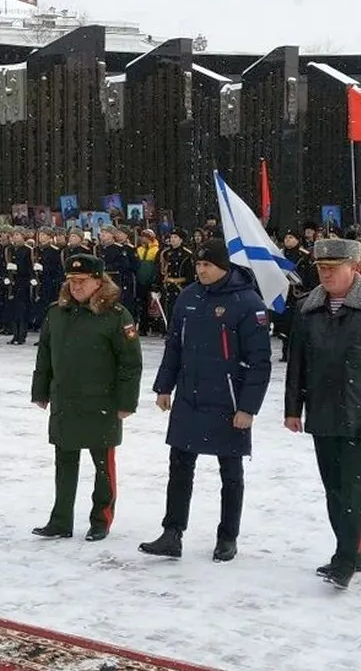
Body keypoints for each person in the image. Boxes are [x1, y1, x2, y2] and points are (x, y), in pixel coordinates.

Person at [284, 238, 361, 590]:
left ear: (353, 267)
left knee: (353, 490)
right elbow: (297, 364)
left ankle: (345, 559)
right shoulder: (309, 307)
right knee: (333, 489)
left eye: (333, 269)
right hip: (322, 412)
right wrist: (293, 409)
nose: (326, 275)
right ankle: (354, 550)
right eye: (321, 269)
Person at [139, 240, 272, 562]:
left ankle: (227, 537)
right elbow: (175, 346)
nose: (200, 270)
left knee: (230, 471)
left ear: (224, 267)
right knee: (180, 466)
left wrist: (248, 408)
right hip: (190, 395)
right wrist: (164, 387)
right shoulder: (189, 296)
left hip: (227, 400)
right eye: (198, 265)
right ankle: (172, 533)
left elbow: (260, 361)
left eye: (207, 265)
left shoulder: (247, 301)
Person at [30, 253, 142, 542]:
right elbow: (45, 354)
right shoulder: (57, 312)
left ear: (98, 281)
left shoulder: (116, 316)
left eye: (81, 281)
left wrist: (126, 402)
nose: (75, 287)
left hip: (101, 403)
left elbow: (130, 363)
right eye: (71, 281)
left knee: (103, 466)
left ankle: (100, 520)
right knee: (64, 463)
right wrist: (40, 390)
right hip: (65, 400)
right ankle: (60, 520)